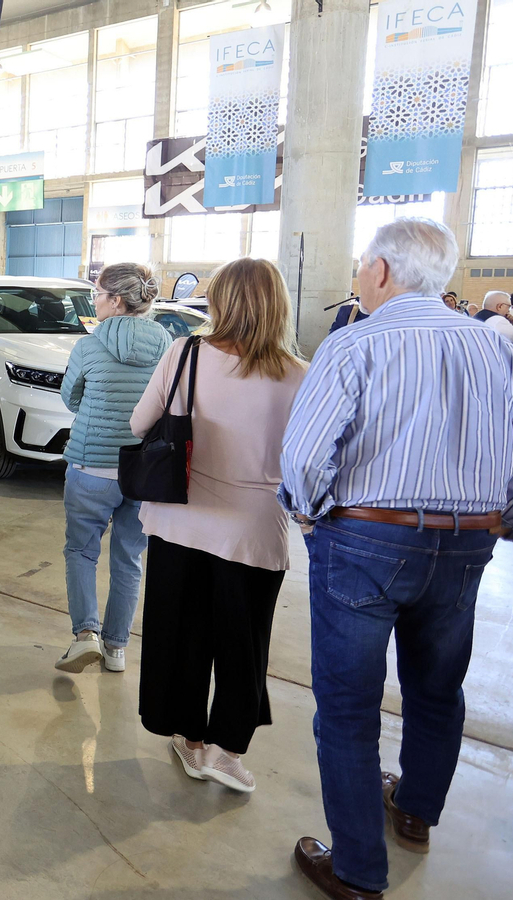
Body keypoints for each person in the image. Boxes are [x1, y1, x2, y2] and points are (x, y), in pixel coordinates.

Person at [279, 218, 513, 900]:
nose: (357, 276)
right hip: (466, 544)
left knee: (347, 706)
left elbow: (305, 459)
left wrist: (310, 515)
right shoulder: (494, 347)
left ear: (380, 271)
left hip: (363, 542)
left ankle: (357, 871)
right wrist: (501, 520)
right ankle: (415, 811)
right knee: (438, 690)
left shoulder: (353, 344)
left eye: (360, 265)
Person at [131, 258, 306, 794]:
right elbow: (304, 460)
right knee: (243, 644)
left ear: (219, 301)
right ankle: (227, 754)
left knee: (181, 635)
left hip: (179, 521)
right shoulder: (299, 374)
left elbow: (139, 424)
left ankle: (189, 741)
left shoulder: (185, 353)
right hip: (254, 530)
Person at [54, 263, 171, 675]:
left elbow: (71, 398)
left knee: (81, 551)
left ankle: (85, 635)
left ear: (116, 300)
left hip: (91, 466)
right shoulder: (167, 344)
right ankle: (116, 648)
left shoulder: (88, 346)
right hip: (144, 471)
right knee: (129, 559)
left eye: (97, 294)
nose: (94, 301)